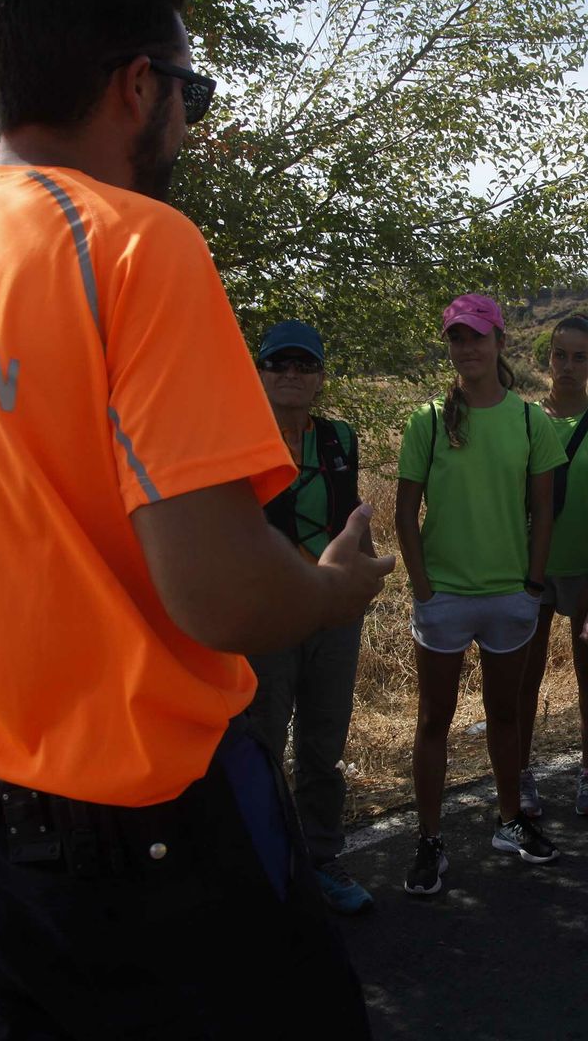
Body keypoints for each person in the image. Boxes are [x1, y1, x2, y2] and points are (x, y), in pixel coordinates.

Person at [0, 0, 392, 1035]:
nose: (187, 119)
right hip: (148, 825)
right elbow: (222, 596)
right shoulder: (135, 243)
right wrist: (331, 587)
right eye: (193, 93)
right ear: (137, 85)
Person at [395, 293, 568, 895]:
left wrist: (531, 584)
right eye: (456, 339)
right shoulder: (428, 420)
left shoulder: (530, 420)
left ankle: (510, 821)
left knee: (505, 716)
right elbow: (404, 511)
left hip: (508, 600)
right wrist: (422, 588)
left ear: (499, 341)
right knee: (433, 720)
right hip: (444, 597)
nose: (467, 349)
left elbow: (544, 509)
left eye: (477, 337)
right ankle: (429, 839)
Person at [247, 318, 374, 914]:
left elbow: (352, 519)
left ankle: (320, 857)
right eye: (279, 364)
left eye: (304, 365)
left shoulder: (337, 440)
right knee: (262, 742)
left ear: (321, 376)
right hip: (268, 615)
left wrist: (358, 587)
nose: (291, 375)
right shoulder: (238, 443)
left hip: (330, 615)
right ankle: (265, 867)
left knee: (324, 744)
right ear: (260, 371)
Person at [516, 313, 588, 818]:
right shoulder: (521, 420)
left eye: (579, 357)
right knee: (526, 673)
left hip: (585, 568)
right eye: (559, 355)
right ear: (547, 359)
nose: (567, 366)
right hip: (530, 567)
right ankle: (520, 773)